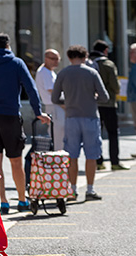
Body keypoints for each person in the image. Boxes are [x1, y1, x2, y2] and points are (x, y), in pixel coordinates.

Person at [0, 33, 50, 214]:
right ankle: (22, 200)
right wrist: (38, 112)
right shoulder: (16, 63)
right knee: (16, 161)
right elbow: (31, 89)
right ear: (8, 46)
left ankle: (3, 202)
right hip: (10, 116)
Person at [51, 45, 109, 201]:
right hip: (90, 116)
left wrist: (68, 101)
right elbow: (105, 97)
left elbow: (55, 98)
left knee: (72, 155)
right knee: (92, 155)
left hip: (71, 117)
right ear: (85, 57)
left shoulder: (63, 73)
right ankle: (90, 189)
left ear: (69, 57)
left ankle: (73, 189)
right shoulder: (92, 73)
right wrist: (92, 97)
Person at [89, 40, 129, 171]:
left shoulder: (89, 63)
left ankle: (99, 162)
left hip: (93, 104)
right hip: (109, 103)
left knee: (96, 133)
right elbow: (115, 86)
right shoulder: (108, 64)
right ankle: (114, 162)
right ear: (105, 51)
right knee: (112, 133)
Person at [35, 49, 65, 150]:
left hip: (55, 105)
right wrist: (65, 105)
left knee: (59, 134)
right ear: (46, 59)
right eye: (53, 59)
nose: (56, 61)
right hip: (54, 106)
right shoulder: (44, 72)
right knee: (58, 135)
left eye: (58, 59)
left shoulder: (49, 71)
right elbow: (53, 92)